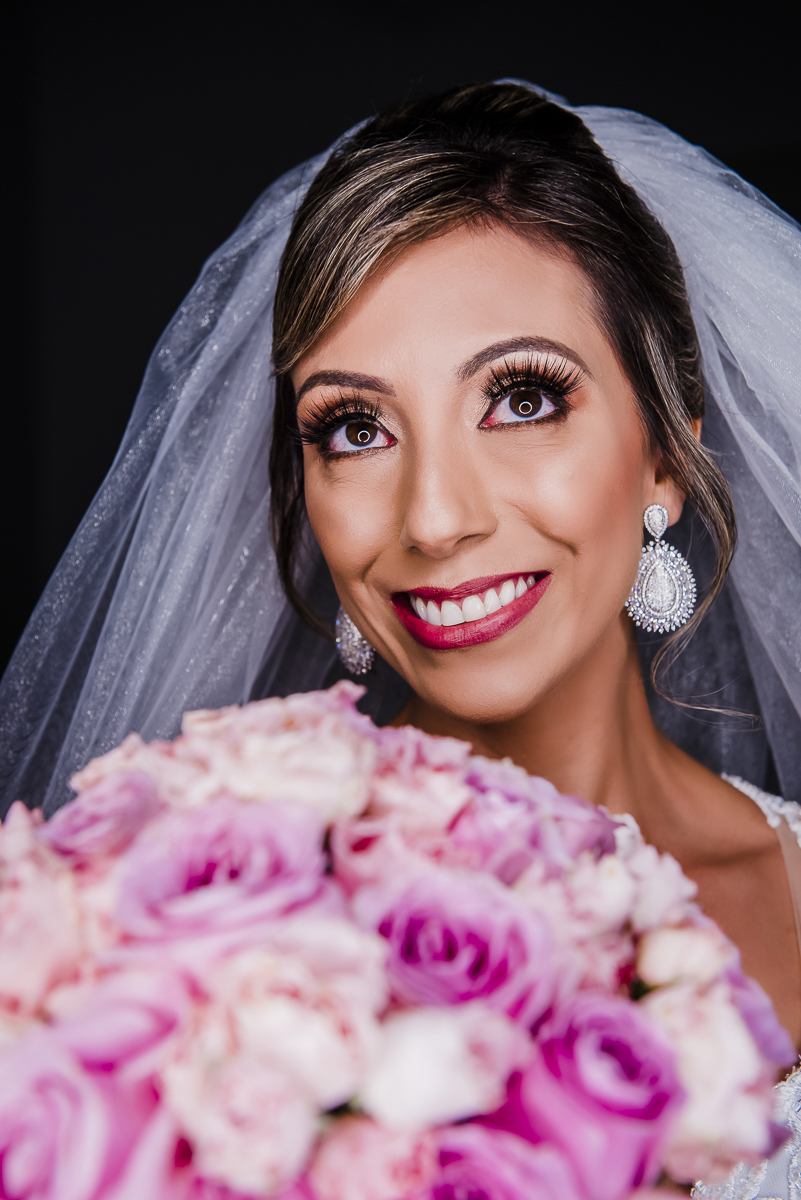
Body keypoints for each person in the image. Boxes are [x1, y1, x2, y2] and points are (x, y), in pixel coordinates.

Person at [1, 82, 800, 1196]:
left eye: (522, 399)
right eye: (356, 428)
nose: (433, 519)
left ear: (667, 451)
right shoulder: (222, 927)